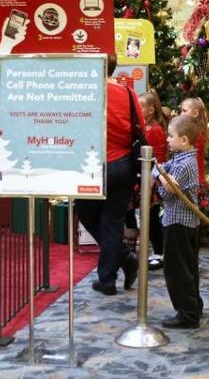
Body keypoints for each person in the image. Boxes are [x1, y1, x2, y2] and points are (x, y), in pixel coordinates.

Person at [76, 55, 146, 295]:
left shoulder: (84, 92)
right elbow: (140, 127)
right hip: (123, 163)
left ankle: (117, 267)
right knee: (113, 221)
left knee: (86, 213)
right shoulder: (127, 93)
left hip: (93, 164)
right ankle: (113, 271)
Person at [153, 115, 204, 329]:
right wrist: (160, 172)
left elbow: (169, 190)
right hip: (181, 222)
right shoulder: (180, 158)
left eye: (170, 136)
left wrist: (158, 174)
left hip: (179, 224)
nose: (167, 140)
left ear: (184, 140)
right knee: (187, 267)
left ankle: (187, 313)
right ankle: (193, 306)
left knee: (178, 270)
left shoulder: (185, 164)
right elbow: (163, 169)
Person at [138, 90, 167, 270]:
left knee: (152, 215)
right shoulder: (142, 127)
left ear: (151, 109)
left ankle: (159, 252)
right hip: (141, 177)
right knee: (142, 215)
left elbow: (159, 157)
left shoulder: (155, 130)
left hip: (151, 179)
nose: (139, 109)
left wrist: (154, 179)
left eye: (142, 106)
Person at [180, 97, 209, 188]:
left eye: (184, 111)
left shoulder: (197, 134)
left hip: (194, 182)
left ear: (195, 113)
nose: (181, 114)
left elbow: (189, 159)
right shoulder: (190, 132)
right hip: (189, 181)